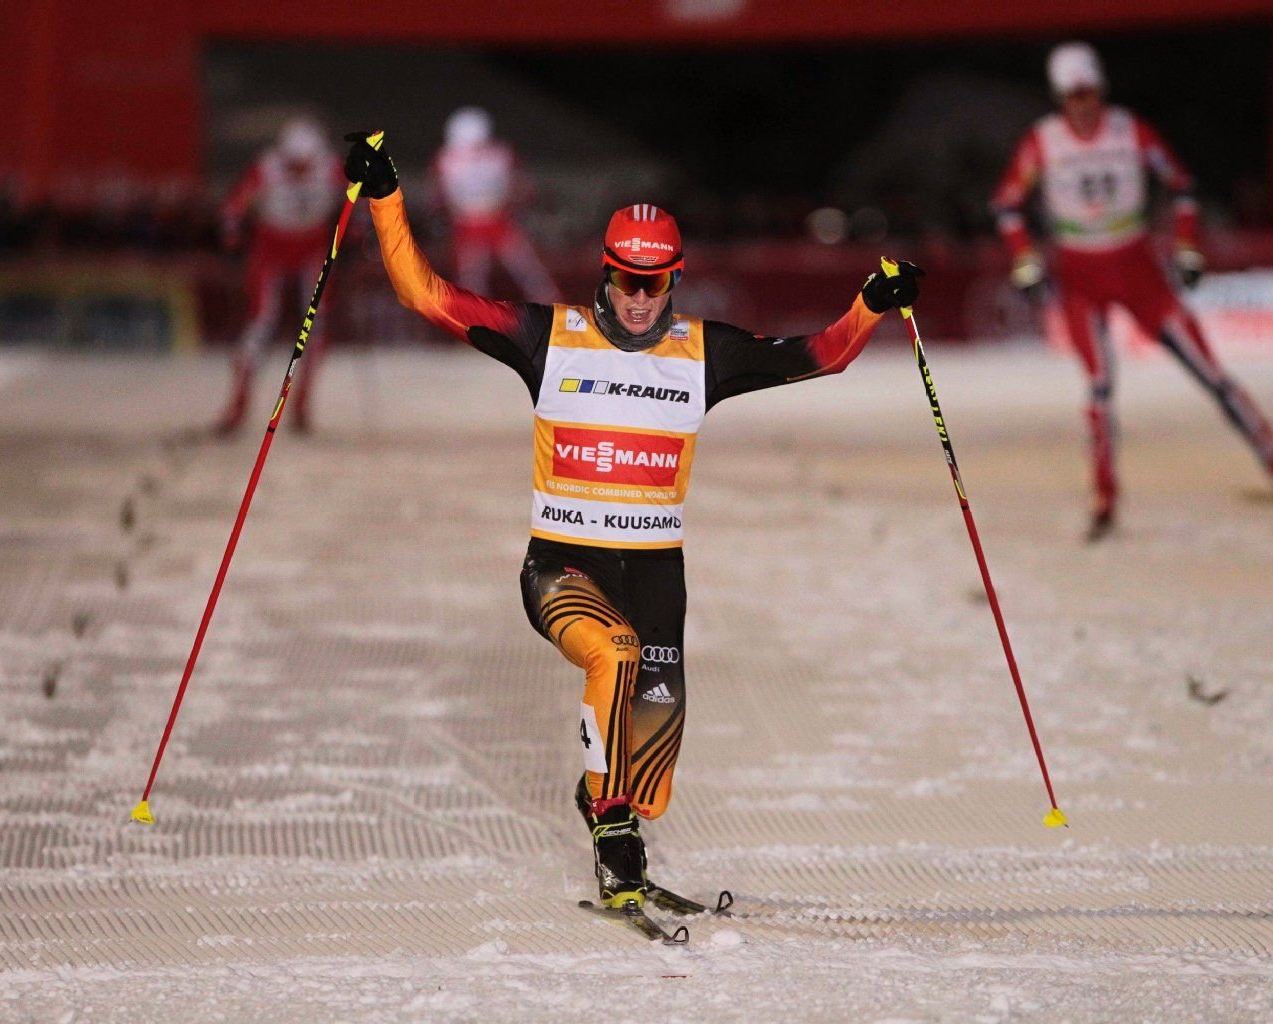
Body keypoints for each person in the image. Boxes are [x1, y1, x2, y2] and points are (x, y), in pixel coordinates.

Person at [344, 132, 919, 912]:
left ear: (674, 280)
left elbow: (821, 354)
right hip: (561, 566)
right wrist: (385, 196)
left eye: (652, 283)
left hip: (654, 575)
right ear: (605, 273)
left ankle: (611, 804)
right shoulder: (546, 337)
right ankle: (611, 833)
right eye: (624, 280)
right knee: (609, 659)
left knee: (648, 778)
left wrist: (870, 304)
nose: (637, 297)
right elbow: (424, 293)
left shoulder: (702, 353)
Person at [992, 42, 1273, 540]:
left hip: (1139, 271)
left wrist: (1187, 249)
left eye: (1088, 92)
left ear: (1101, 90)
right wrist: (1025, 261)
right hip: (1080, 276)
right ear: (1060, 97)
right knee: (1100, 386)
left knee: (1212, 373)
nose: (1082, 105)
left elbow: (1183, 186)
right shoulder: (1042, 141)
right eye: (1072, 96)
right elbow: (1006, 205)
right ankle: (1104, 494)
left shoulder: (1130, 131)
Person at [214, 117, 344, 435]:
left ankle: (301, 407)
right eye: (293, 165)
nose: (298, 172)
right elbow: (233, 206)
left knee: (317, 324)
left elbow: (359, 201)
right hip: (270, 251)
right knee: (261, 325)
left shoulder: (331, 167)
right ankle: (238, 406)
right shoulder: (267, 167)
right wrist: (232, 236)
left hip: (312, 250)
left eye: (304, 165)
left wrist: (358, 232)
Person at [430, 107, 559, 302]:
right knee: (479, 275)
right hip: (475, 223)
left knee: (523, 270)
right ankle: (475, 317)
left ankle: (551, 307)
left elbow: (439, 198)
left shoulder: (447, 159)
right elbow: (522, 187)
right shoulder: (500, 153)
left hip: (492, 221)